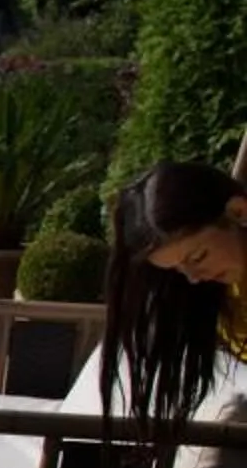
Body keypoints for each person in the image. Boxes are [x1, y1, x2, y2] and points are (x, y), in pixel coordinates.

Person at [102, 159, 247, 441]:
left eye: (197, 257)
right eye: (179, 269)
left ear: (238, 211)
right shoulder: (221, 295)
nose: (193, 277)